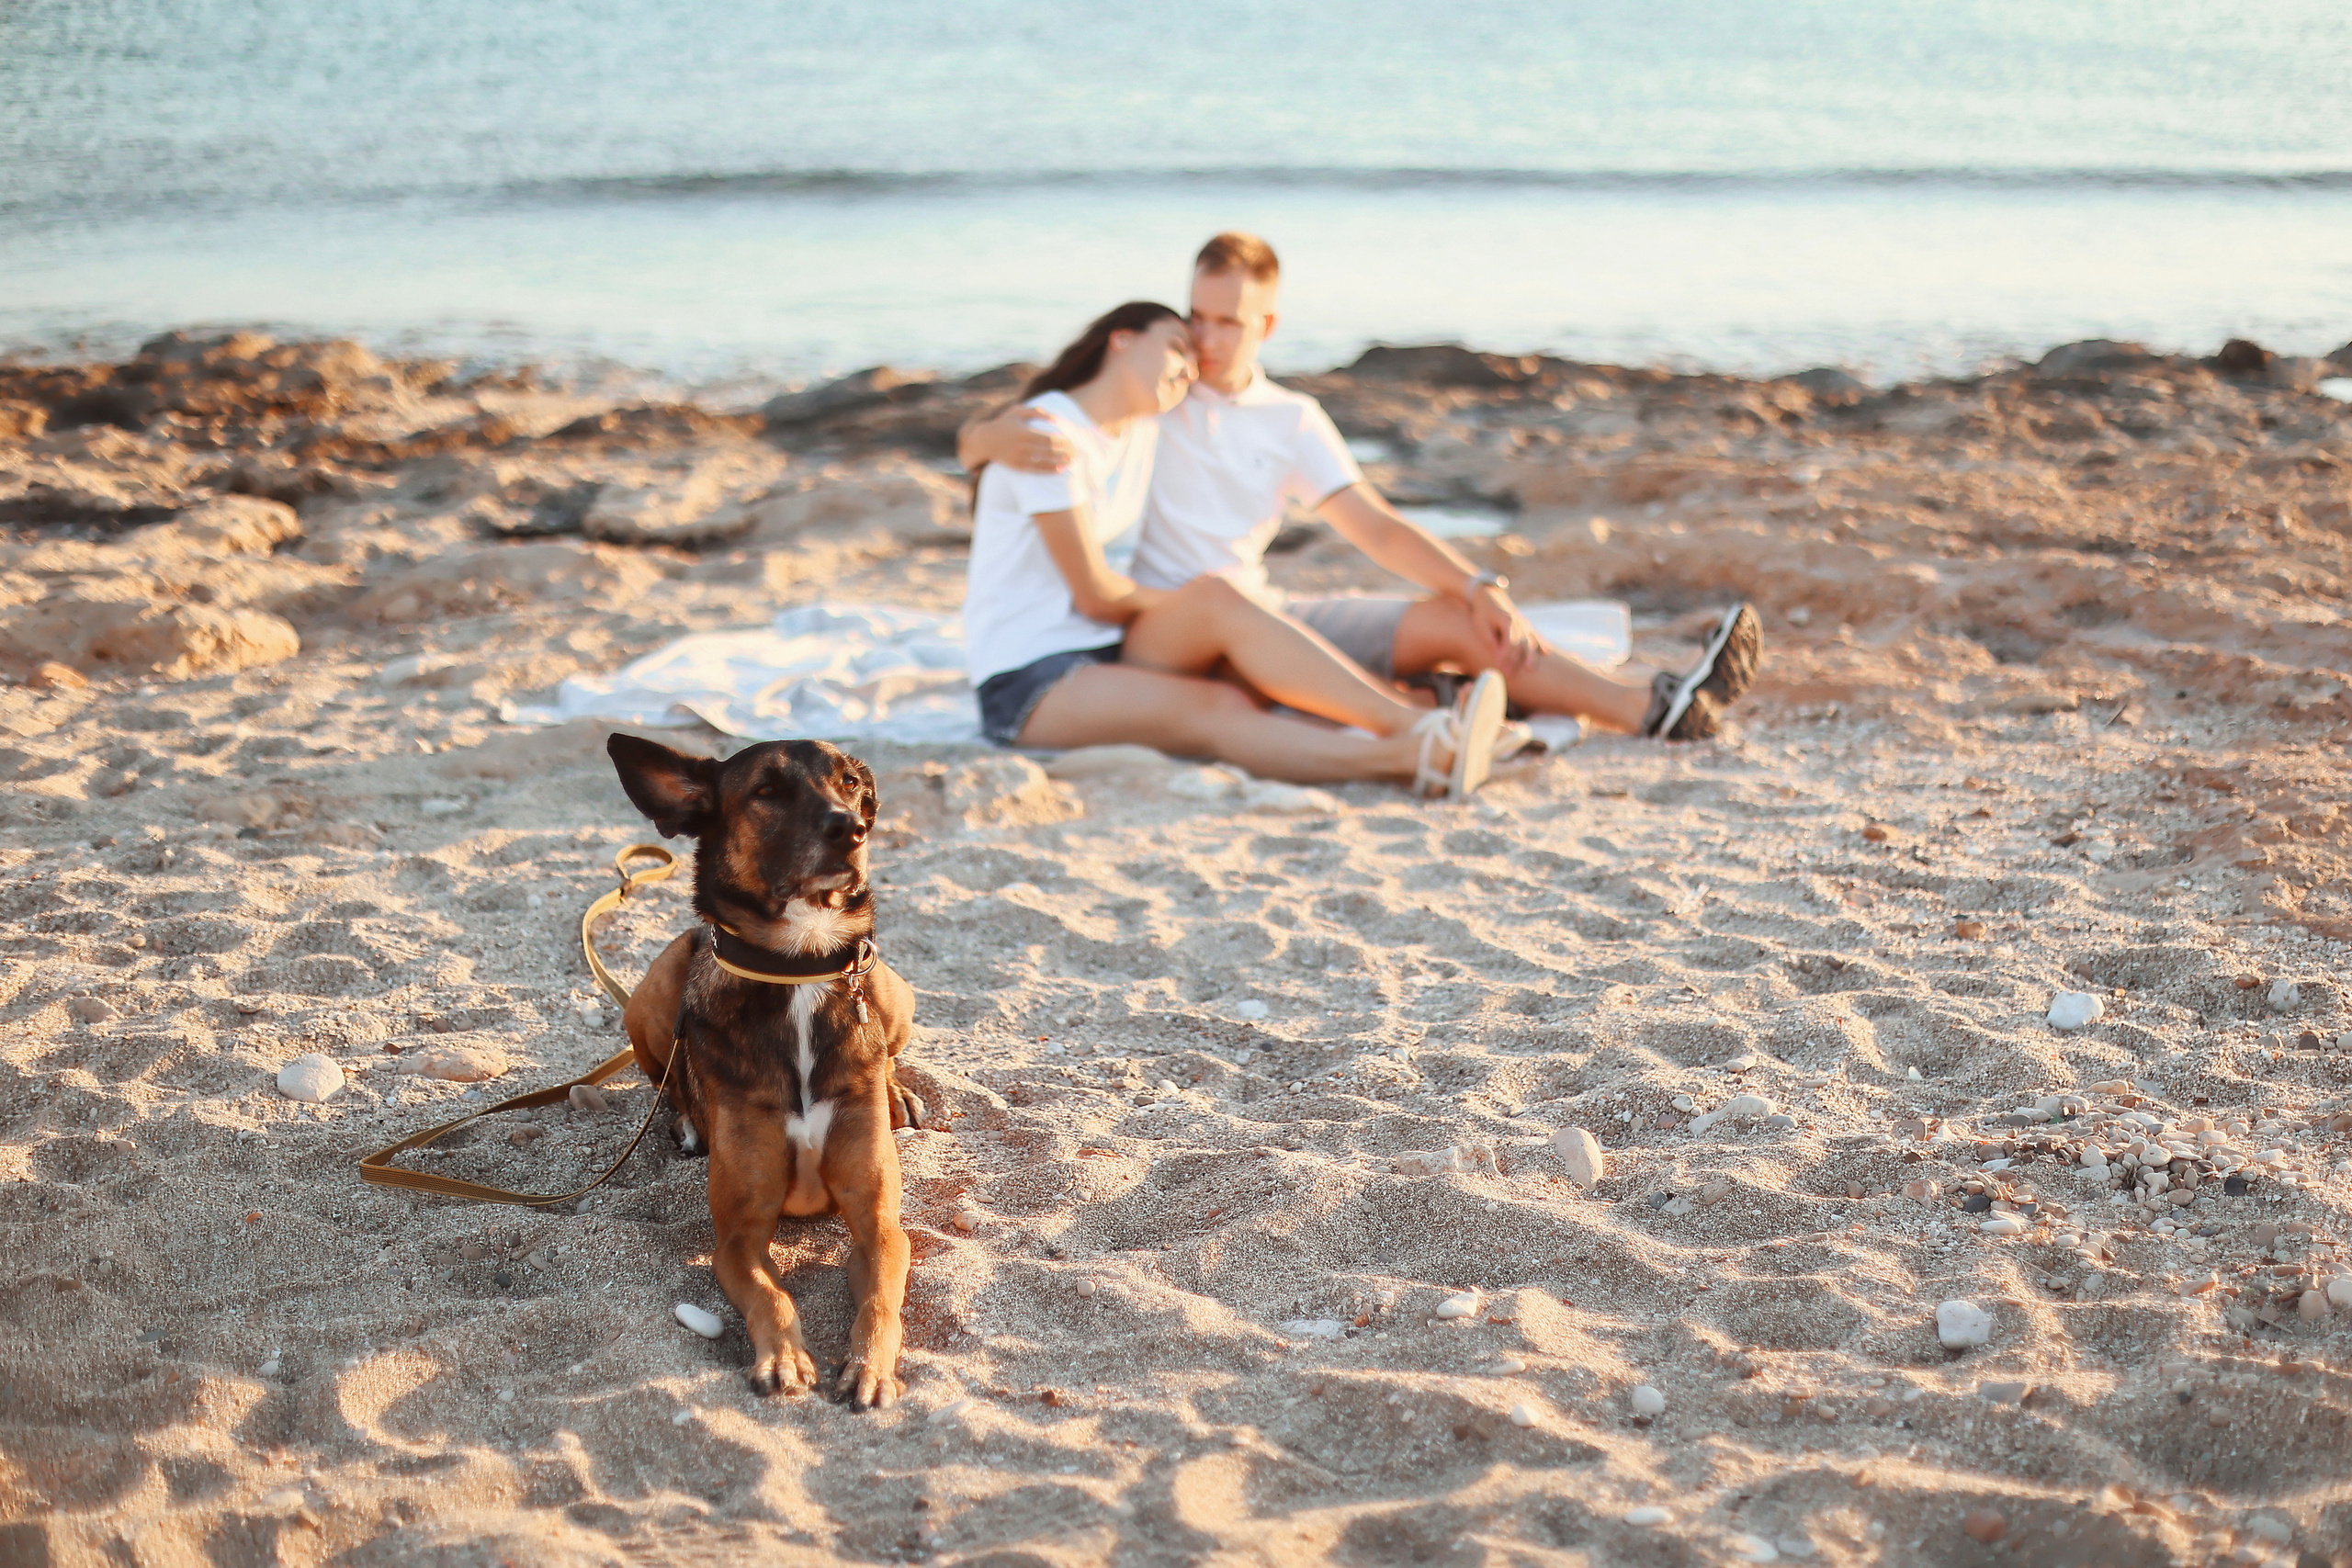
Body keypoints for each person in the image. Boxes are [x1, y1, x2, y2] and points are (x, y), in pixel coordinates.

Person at [960, 231, 1760, 740]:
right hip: (1170, 628)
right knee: (1289, 645)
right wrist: (984, 438)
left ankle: (1654, 705)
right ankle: (1438, 710)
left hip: (1260, 606)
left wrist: (1479, 584)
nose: (1204, 340)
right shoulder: (1157, 394)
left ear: (1267, 327)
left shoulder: (1291, 419)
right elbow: (1050, 425)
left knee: (1456, 619)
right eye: (1198, 316)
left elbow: (1374, 527)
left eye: (1228, 322)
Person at [963, 300, 1510, 797]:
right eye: (1176, 347)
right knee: (1218, 700)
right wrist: (984, 439)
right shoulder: (1046, 436)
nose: (1189, 368)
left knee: (1222, 610)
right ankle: (1414, 751)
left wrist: (975, 440)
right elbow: (1096, 597)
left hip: (1108, 651)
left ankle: (1421, 717)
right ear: (1122, 339)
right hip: (1029, 680)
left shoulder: (1139, 429)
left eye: (1192, 362)